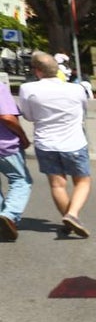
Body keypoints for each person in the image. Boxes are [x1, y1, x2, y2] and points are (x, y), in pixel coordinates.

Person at [16, 51, 92, 237]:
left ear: (37, 70)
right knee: (82, 181)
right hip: (74, 142)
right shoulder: (76, 89)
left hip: (46, 143)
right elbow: (83, 112)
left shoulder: (27, 89)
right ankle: (72, 215)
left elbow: (28, 115)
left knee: (57, 185)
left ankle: (69, 218)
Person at [0, 81, 32, 241]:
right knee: (21, 180)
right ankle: (9, 215)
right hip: (4, 145)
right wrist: (23, 136)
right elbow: (6, 117)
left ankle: (3, 219)